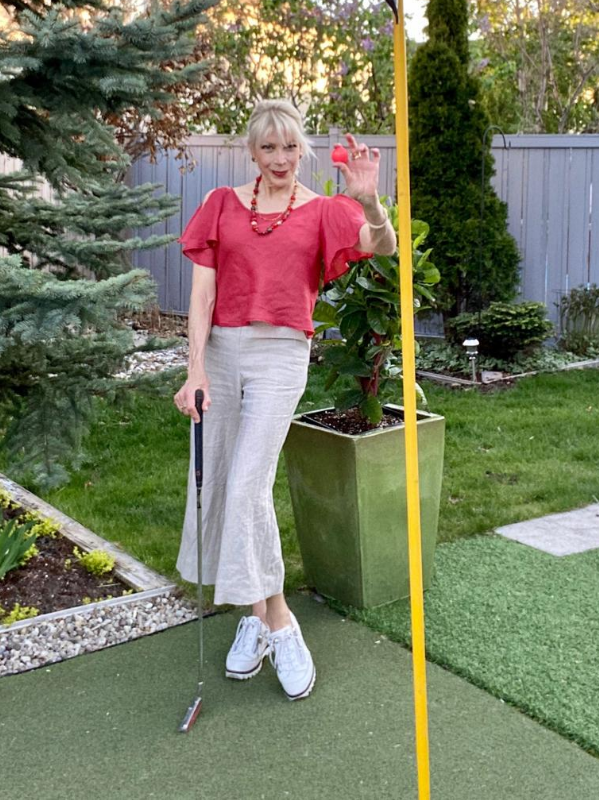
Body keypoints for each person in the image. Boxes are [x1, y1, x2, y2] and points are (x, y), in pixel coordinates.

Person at [173, 99, 397, 701]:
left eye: (290, 147)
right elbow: (201, 296)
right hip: (221, 351)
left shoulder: (323, 212)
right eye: (268, 148)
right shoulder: (221, 206)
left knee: (248, 483)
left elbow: (384, 247)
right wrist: (195, 368)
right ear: (251, 152)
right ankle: (259, 615)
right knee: (223, 481)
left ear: (303, 150)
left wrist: (371, 198)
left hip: (280, 354)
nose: (279, 158)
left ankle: (282, 625)